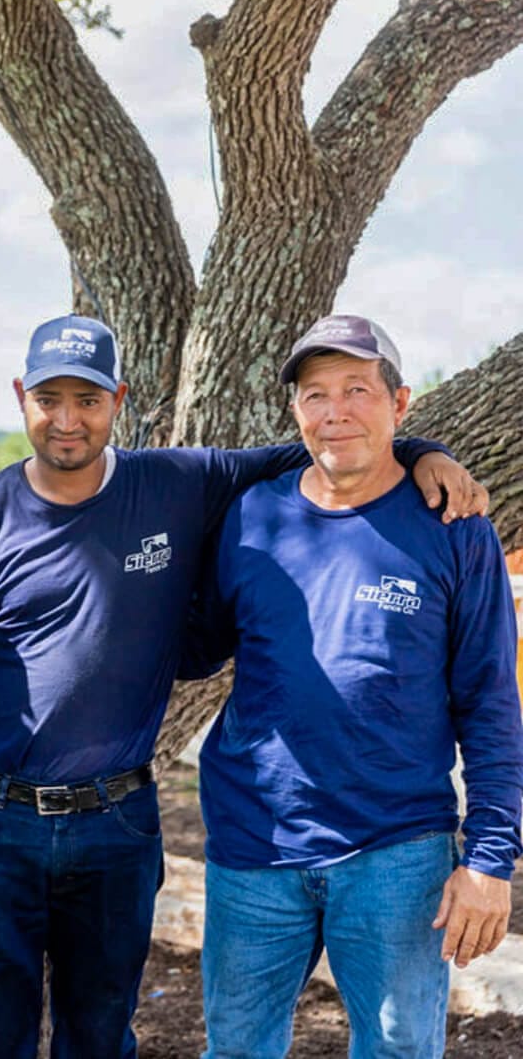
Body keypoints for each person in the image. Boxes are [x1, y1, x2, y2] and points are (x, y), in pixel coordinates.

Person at [0, 314, 486, 1059]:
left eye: (87, 399)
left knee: (100, 1031)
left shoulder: (177, 481)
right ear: (21, 395)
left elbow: (329, 444)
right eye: (48, 397)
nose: (66, 418)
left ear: (118, 399)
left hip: (117, 821)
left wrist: (422, 451)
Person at [188, 315, 523, 1058]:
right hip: (254, 843)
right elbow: (195, 649)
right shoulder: (252, 514)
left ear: (401, 405)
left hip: (395, 851)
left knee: (399, 1050)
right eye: (315, 395)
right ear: (296, 412)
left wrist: (490, 858)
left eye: (357, 391)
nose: (335, 411)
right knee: (235, 1050)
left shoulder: (452, 526)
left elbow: (492, 699)